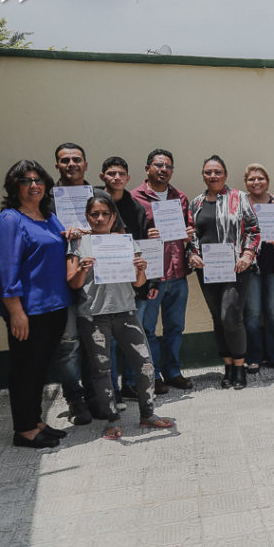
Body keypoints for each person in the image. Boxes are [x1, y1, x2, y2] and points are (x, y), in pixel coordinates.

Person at [67, 191, 176, 439]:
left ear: (114, 216)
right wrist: (83, 270)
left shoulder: (125, 242)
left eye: (105, 214)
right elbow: (72, 283)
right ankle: (112, 419)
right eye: (95, 214)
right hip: (93, 316)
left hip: (126, 312)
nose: (100, 218)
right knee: (102, 370)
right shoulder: (77, 243)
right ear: (87, 217)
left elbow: (138, 284)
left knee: (145, 364)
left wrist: (141, 270)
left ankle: (148, 414)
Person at [0, 161, 72, 448]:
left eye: (39, 180)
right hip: (29, 311)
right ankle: (24, 429)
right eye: (26, 181)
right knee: (25, 368)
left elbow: (61, 247)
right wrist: (16, 311)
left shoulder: (49, 217)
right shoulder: (10, 220)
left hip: (55, 306)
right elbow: (5, 268)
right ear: (15, 186)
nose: (34, 185)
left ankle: (36, 421)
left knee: (40, 368)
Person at [187, 155, 260, 389]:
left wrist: (248, 254)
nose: (213, 176)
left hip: (237, 267)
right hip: (207, 269)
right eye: (208, 172)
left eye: (217, 171)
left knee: (231, 316)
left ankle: (240, 366)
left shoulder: (239, 198)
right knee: (218, 318)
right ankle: (227, 365)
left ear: (225, 175)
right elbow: (191, 234)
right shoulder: (196, 202)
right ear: (203, 175)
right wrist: (192, 253)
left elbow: (253, 229)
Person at [131, 149, 197, 393]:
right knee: (147, 328)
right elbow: (125, 235)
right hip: (151, 277)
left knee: (175, 327)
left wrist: (189, 233)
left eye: (168, 166)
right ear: (147, 168)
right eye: (158, 165)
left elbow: (189, 227)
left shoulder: (179, 197)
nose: (163, 170)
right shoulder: (134, 198)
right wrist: (144, 235)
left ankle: (173, 372)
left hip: (178, 273)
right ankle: (154, 374)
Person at [99, 156, 157, 407]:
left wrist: (150, 281)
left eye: (121, 174)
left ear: (128, 178)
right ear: (103, 177)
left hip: (134, 282)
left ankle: (131, 385)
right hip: (104, 283)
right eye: (111, 174)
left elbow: (146, 247)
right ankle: (113, 389)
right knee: (110, 340)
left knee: (135, 337)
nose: (116, 178)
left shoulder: (136, 208)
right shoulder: (97, 203)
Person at [49, 143, 94, 424]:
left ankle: (96, 394)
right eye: (65, 160)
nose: (71, 164)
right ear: (57, 166)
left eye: (77, 159)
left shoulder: (98, 195)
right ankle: (75, 399)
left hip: (94, 281)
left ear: (86, 164)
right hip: (59, 283)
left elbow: (115, 231)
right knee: (67, 344)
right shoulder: (47, 200)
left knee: (94, 341)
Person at [243, 163, 274, 373]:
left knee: (272, 312)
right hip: (250, 265)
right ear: (246, 183)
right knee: (252, 312)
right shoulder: (241, 203)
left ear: (267, 181)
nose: (256, 182)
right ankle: (253, 357)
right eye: (252, 179)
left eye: (260, 178)